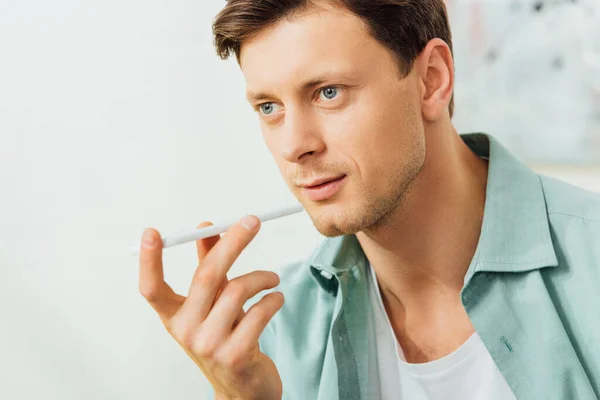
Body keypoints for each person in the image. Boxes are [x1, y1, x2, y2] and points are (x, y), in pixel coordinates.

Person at [137, 0, 600, 399]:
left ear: (432, 80)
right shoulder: (273, 334)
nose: (294, 145)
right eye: (269, 108)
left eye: (328, 92)